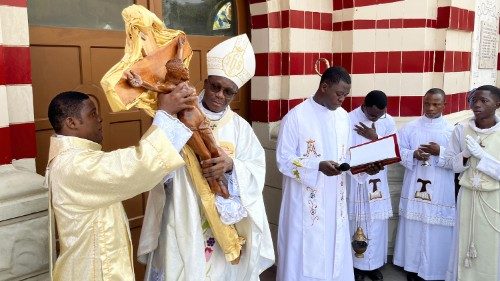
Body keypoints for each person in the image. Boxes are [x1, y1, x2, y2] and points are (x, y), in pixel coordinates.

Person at [137, 34, 275, 281]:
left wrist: (232, 165)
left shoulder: (241, 129)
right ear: (206, 81)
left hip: (223, 224)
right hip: (182, 210)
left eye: (229, 92)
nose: (220, 95)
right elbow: (153, 159)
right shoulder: (175, 114)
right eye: (216, 86)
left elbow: (257, 170)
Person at [45, 85, 196, 280]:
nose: (99, 119)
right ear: (72, 122)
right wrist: (165, 114)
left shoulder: (74, 158)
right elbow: (137, 164)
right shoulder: (72, 165)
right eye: (92, 114)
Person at [276, 66, 382, 281]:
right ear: (324, 87)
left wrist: (364, 168)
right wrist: (317, 166)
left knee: (335, 252)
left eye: (346, 95)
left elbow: (348, 156)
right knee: (306, 252)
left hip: (336, 201)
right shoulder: (296, 117)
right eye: (339, 94)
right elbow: (283, 160)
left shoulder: (343, 118)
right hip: (306, 204)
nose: (342, 99)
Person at [393, 88, 456, 281]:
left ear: (444, 105)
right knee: (414, 226)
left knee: (436, 229)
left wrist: (440, 152)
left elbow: (459, 161)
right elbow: (397, 150)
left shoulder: (452, 131)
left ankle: (435, 269)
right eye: (427, 103)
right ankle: (412, 267)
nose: (430, 108)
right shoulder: (410, 127)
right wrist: (413, 154)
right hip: (415, 185)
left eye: (436, 104)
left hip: (440, 188)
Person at [444, 85, 500, 281]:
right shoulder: (461, 129)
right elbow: (452, 165)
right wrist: (466, 155)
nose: (477, 105)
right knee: (464, 241)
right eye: (474, 100)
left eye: (484, 101)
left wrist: (482, 156)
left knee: (491, 245)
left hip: (494, 198)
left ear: (497, 104)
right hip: (467, 196)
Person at [347, 90, 396, 281]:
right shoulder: (349, 119)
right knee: (356, 222)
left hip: (378, 179)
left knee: (376, 224)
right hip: (357, 180)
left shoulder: (388, 121)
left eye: (380, 114)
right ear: (364, 105)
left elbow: (393, 148)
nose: (376, 117)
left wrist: (374, 137)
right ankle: (356, 267)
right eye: (372, 114)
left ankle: (373, 266)